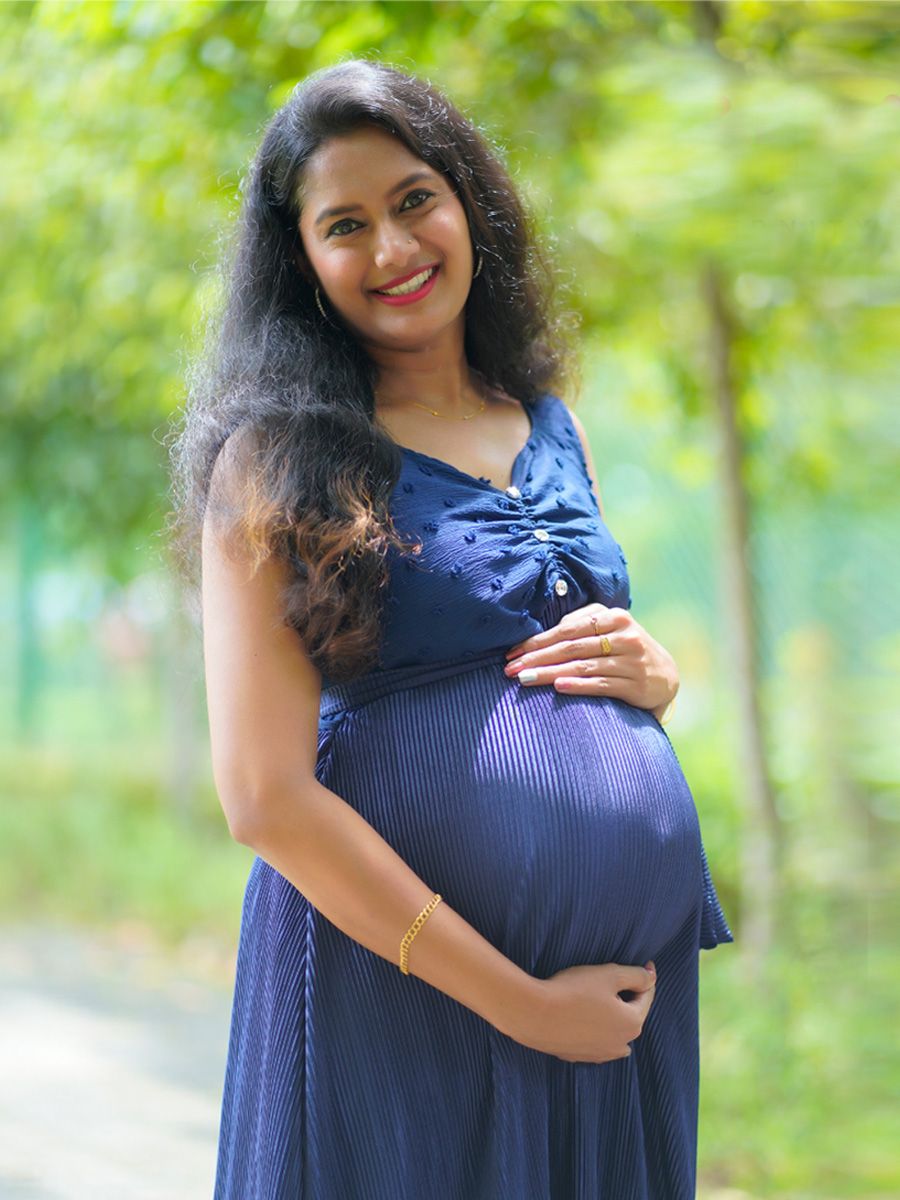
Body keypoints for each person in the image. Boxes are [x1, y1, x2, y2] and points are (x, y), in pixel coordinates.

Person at [168, 57, 733, 1200]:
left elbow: (566, 664)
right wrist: (524, 1005)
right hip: (406, 1000)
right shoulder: (272, 465)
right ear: (303, 261)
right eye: (345, 225)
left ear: (469, 200)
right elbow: (264, 797)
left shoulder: (550, 422)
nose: (392, 248)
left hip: (612, 1010)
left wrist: (655, 678)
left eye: (414, 199)